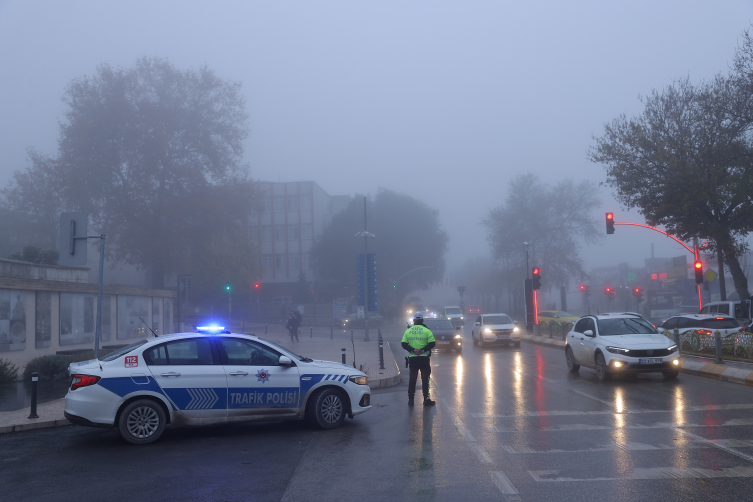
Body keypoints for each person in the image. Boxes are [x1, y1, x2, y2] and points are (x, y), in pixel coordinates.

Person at [401, 312, 436, 406]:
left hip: (413, 359)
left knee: (412, 379)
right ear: (422, 320)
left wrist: (413, 351)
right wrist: (423, 350)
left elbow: (403, 344)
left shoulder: (408, 331)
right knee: (425, 379)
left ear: (413, 321)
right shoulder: (427, 330)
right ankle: (426, 399)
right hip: (424, 359)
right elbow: (432, 343)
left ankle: (411, 400)